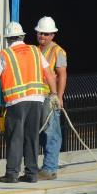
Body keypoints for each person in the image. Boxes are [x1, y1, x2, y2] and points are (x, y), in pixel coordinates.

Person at [0, 21, 59, 183]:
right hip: (37, 100)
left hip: (16, 102)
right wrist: (54, 95)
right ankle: (31, 174)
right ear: (22, 36)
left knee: (15, 137)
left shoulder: (6, 54)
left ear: (8, 39)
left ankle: (12, 174)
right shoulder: (35, 51)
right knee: (32, 137)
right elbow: (50, 74)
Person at [35, 16, 68, 180]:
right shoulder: (35, 50)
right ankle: (45, 166)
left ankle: (50, 168)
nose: (43, 36)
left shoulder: (58, 51)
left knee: (52, 133)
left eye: (46, 34)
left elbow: (62, 74)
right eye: (41, 33)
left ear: (53, 35)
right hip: (38, 97)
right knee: (41, 134)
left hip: (50, 97)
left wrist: (59, 97)